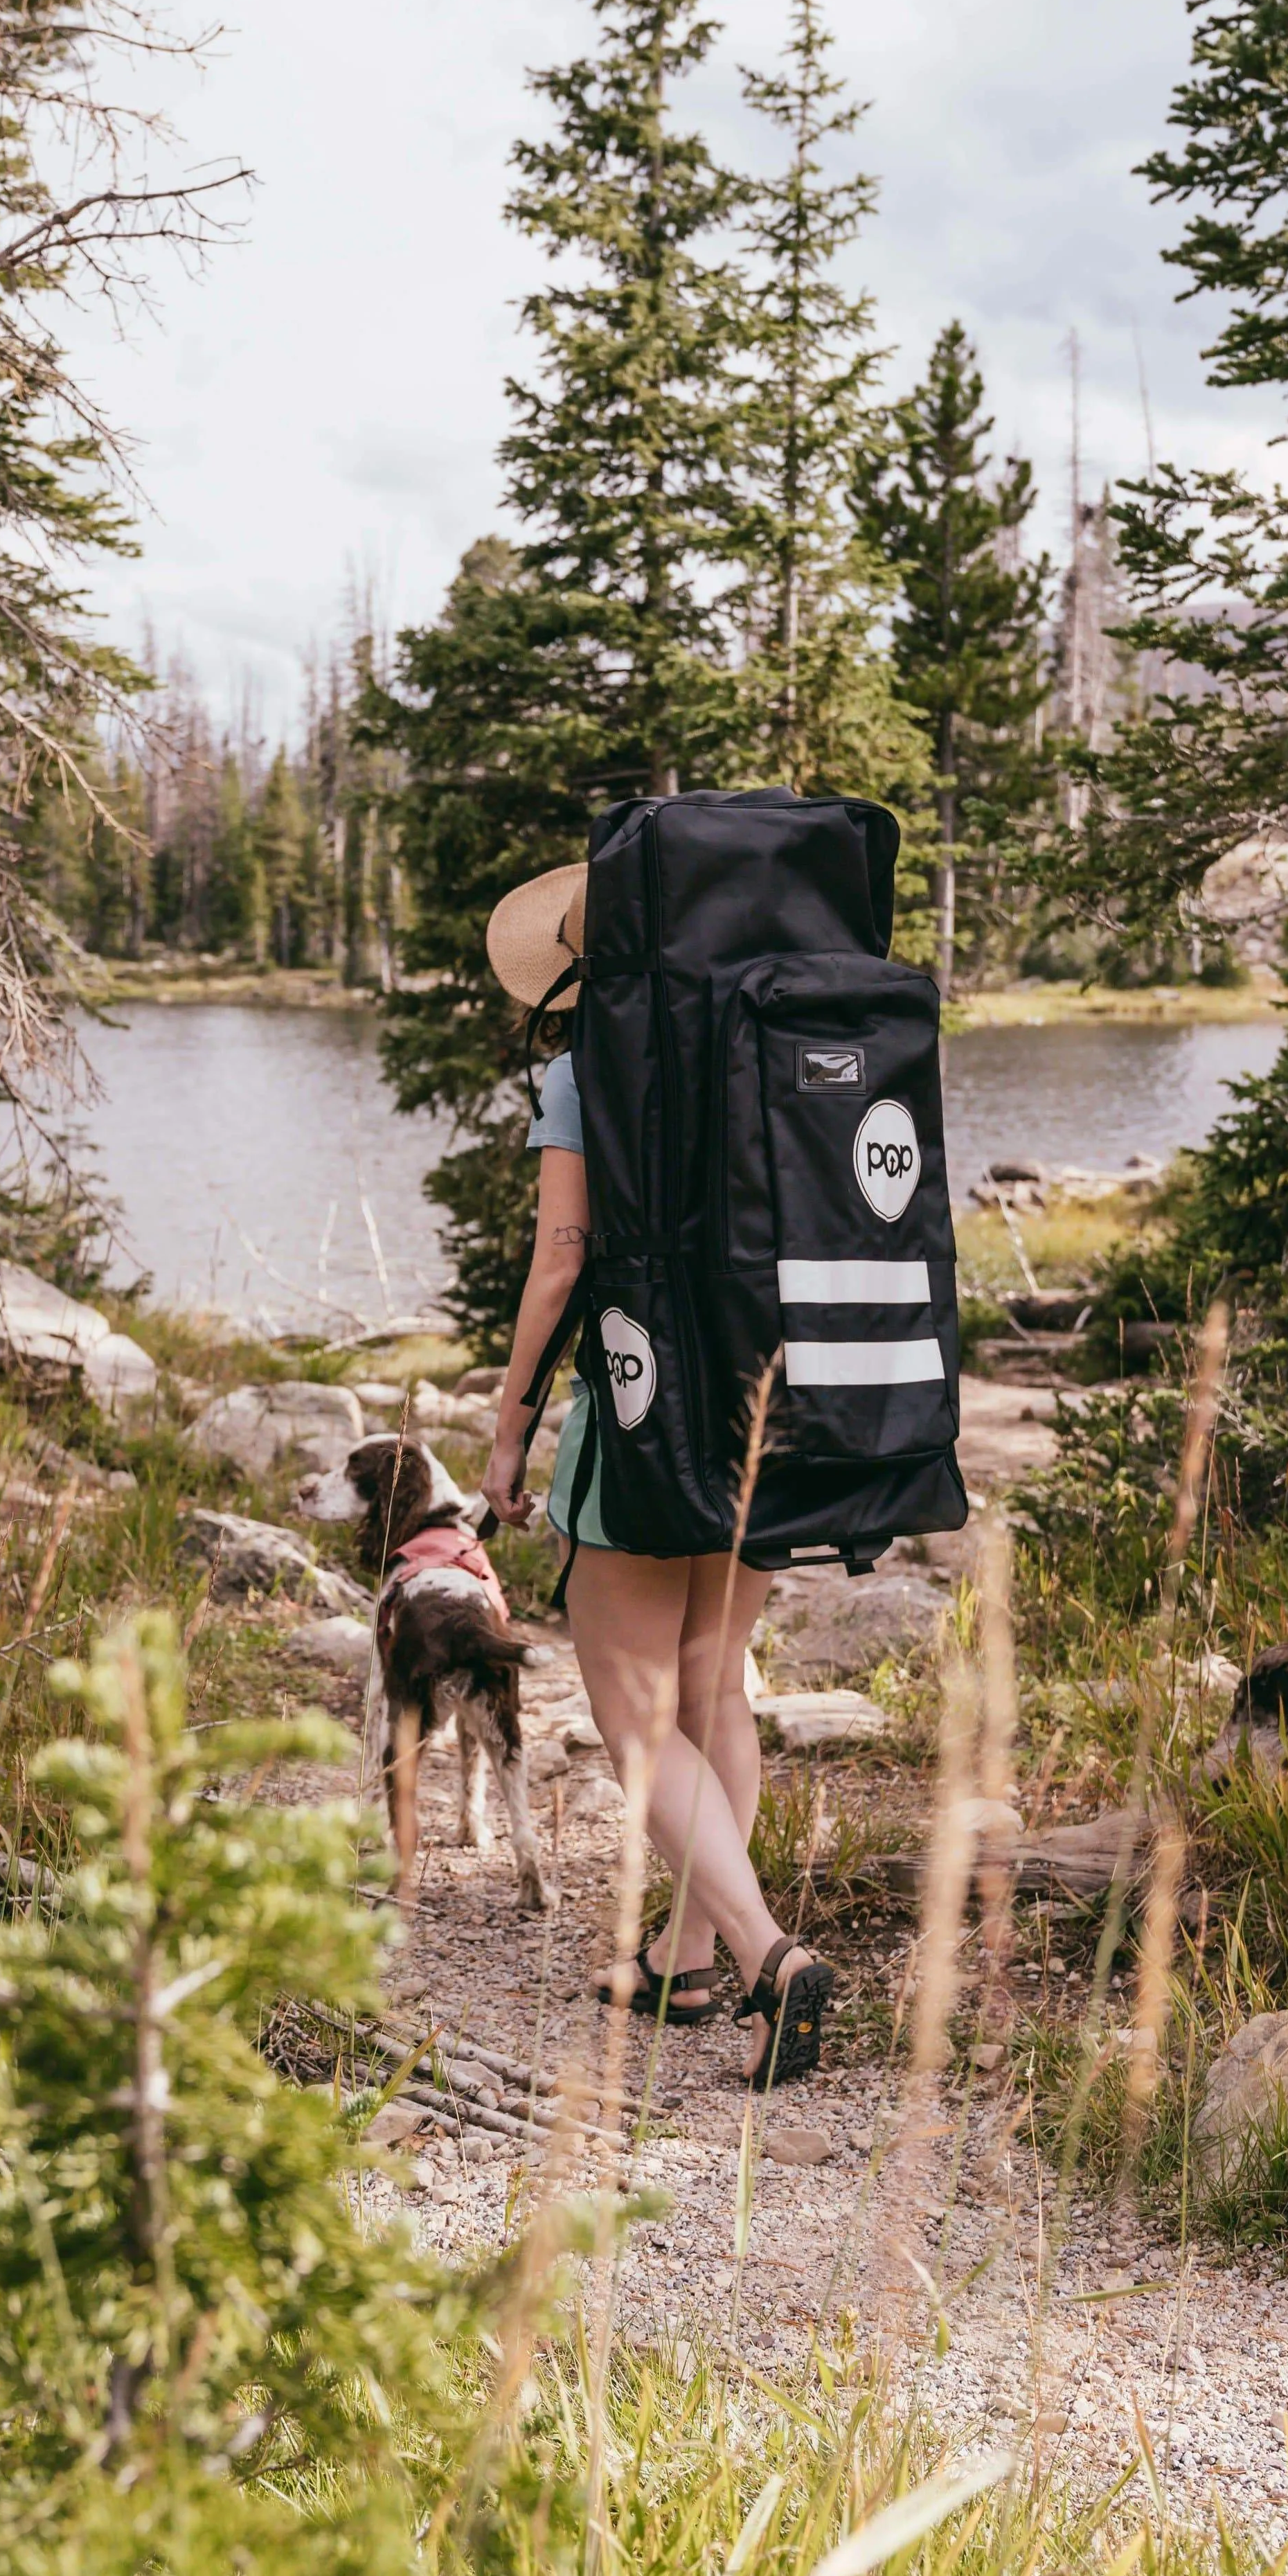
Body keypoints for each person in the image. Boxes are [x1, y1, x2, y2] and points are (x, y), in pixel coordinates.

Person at [475, 861, 835, 2087]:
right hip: (765, 1404)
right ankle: (683, 1962)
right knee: (714, 1693)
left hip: (637, 1414)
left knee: (634, 1720)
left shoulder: (590, 1070)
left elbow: (562, 1263)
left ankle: (768, 1956)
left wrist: (512, 1422)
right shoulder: (767, 1041)